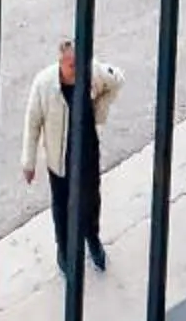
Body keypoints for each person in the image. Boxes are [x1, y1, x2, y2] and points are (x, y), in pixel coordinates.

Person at [20, 36, 123, 274]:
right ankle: (64, 250)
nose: (76, 69)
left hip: (87, 151)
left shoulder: (93, 73)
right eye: (71, 65)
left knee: (91, 199)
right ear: (61, 62)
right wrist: (29, 161)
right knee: (62, 206)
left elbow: (117, 80)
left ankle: (92, 239)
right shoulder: (44, 84)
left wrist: (101, 106)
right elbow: (32, 122)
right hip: (60, 158)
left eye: (80, 63)